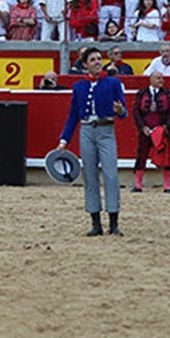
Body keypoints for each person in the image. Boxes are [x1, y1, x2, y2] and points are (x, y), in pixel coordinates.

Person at [57, 46, 127, 237]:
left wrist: (120, 110)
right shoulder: (79, 87)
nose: (97, 62)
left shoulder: (113, 83)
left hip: (106, 130)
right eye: (93, 60)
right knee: (90, 176)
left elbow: (124, 112)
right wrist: (64, 139)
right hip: (87, 130)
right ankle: (96, 223)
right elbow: (73, 115)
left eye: (99, 59)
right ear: (85, 64)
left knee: (111, 175)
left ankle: (114, 223)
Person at [132, 72, 170, 193]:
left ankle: (167, 186)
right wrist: (142, 127)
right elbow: (136, 111)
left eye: (162, 78)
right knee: (141, 155)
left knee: (165, 156)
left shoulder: (167, 93)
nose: (161, 80)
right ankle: (138, 185)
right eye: (158, 78)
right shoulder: (142, 93)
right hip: (146, 130)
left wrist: (166, 127)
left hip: (161, 130)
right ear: (151, 79)